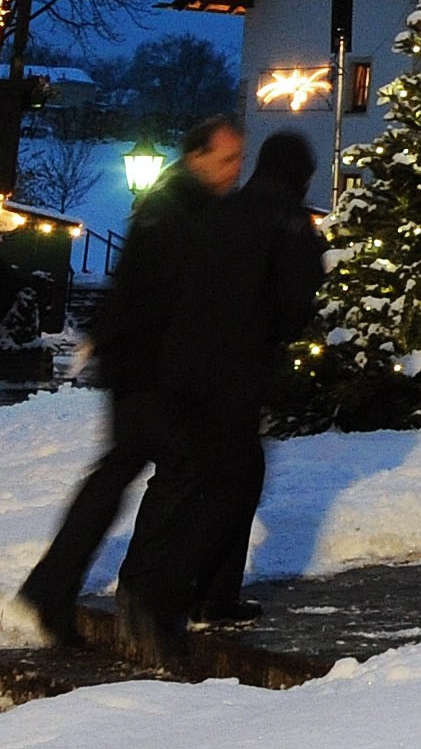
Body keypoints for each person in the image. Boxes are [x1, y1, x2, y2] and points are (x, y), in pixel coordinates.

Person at [17, 113, 241, 648]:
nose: (235, 169)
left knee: (121, 474)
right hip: (154, 370)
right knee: (179, 474)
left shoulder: (175, 207)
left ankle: (58, 586)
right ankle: (142, 595)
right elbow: (167, 296)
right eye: (227, 157)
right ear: (197, 156)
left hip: (144, 366)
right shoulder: (179, 212)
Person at [126, 128, 325, 631]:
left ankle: (146, 583)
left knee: (179, 474)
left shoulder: (222, 210)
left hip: (182, 365)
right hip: (238, 371)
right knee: (235, 479)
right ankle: (201, 595)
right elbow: (296, 305)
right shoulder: (292, 223)